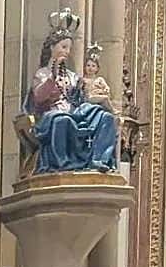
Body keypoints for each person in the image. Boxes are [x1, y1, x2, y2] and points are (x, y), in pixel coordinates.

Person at [24, 13, 118, 173]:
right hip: (52, 114)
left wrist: (85, 89)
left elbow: (80, 100)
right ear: (52, 47)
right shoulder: (43, 73)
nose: (67, 52)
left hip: (75, 112)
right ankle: (63, 164)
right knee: (62, 120)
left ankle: (98, 160)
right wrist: (53, 77)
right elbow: (39, 98)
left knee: (105, 117)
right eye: (63, 47)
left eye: (69, 48)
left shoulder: (72, 76)